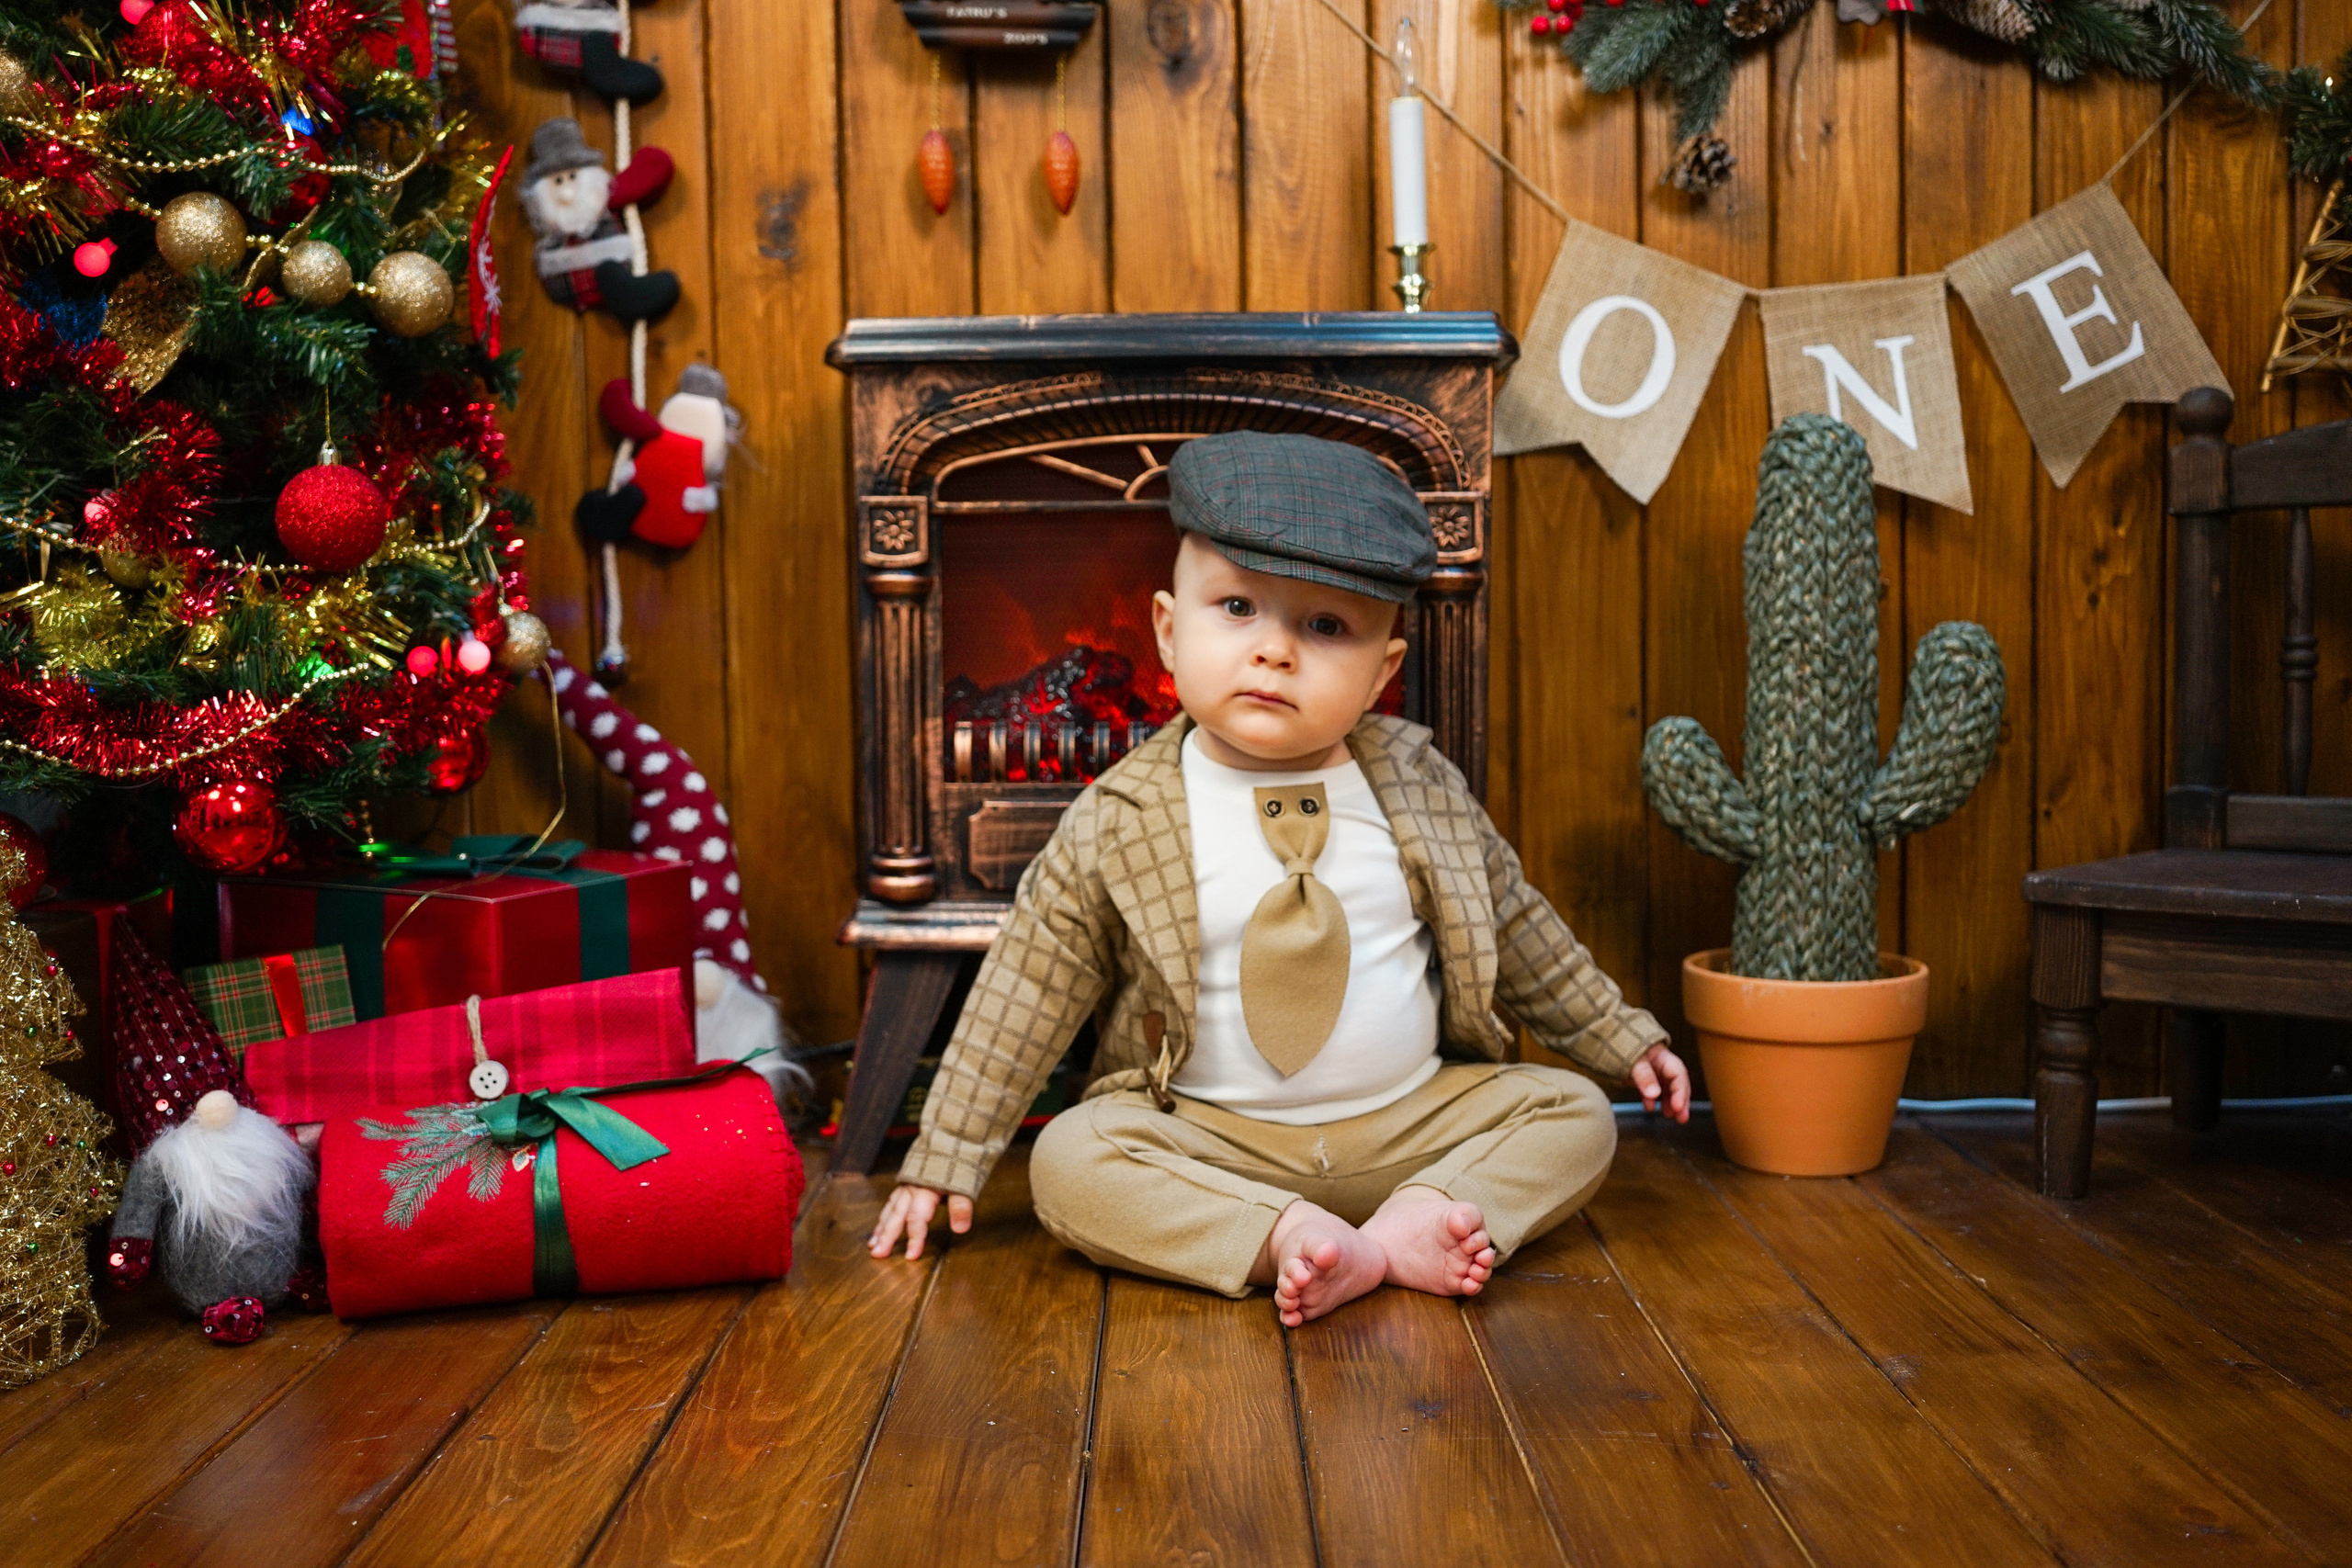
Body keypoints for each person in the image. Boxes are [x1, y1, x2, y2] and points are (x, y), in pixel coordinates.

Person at [868, 431, 1690, 1326]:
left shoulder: (1417, 786)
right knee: (1069, 1159)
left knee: (1574, 1112)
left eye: (1324, 626)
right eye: (1236, 608)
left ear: (1383, 672)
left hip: (1410, 1122)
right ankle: (1280, 1234)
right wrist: (947, 1148)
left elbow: (1517, 927)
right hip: (1211, 1137)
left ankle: (1418, 1219)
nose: (1274, 652)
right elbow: (1027, 985)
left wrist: (1619, 1037)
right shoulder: (1119, 816)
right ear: (1167, 632)